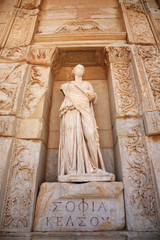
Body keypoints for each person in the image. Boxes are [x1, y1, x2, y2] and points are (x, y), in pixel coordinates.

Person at [58, 64, 114, 182]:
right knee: (72, 137)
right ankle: (72, 169)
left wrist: (89, 94)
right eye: (78, 68)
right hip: (71, 110)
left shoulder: (87, 84)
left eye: (82, 69)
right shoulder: (67, 86)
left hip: (85, 109)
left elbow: (92, 96)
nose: (80, 70)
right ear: (73, 71)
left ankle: (94, 167)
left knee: (91, 134)